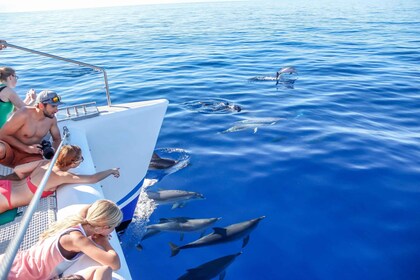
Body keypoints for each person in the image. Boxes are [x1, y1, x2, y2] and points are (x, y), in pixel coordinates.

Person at [1, 199, 122, 280]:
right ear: (104, 228)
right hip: (17, 275)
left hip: (12, 261)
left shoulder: (77, 221)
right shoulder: (78, 240)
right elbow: (114, 264)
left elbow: (89, 208)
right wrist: (104, 241)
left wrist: (99, 229)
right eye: (113, 227)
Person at [0, 145, 120, 214]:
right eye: (80, 159)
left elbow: (18, 169)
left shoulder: (45, 163)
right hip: (6, 199)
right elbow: (93, 179)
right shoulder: (62, 176)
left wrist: (24, 183)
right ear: (73, 163)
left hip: (5, 186)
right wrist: (111, 170)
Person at [0, 89, 62, 168]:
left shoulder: (52, 119)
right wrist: (27, 148)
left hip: (31, 155)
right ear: (41, 106)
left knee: (40, 171)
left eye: (57, 106)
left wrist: (54, 153)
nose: (56, 110)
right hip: (11, 151)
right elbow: (2, 135)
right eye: (53, 106)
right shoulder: (24, 114)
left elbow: (57, 139)